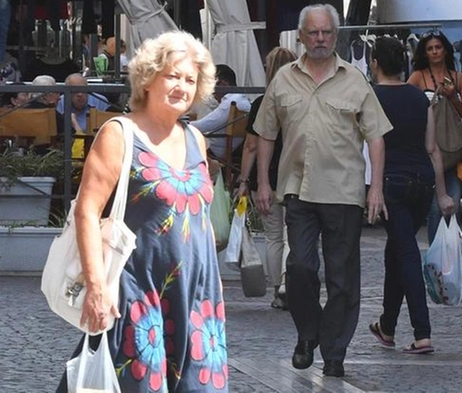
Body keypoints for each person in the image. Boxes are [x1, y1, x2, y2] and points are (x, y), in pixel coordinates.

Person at [66, 30, 228, 392]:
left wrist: (214, 285)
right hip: (138, 291)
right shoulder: (119, 134)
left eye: (190, 80)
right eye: (172, 75)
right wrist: (95, 286)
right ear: (149, 77)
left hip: (197, 296)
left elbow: (199, 216)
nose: (181, 87)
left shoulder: (195, 139)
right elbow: (87, 211)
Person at [253, 4, 390, 379]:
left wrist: (375, 188)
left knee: (343, 278)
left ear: (336, 35)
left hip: (344, 192)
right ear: (301, 36)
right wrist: (263, 182)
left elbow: (375, 136)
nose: (320, 39)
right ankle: (307, 333)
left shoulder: (355, 80)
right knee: (299, 268)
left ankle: (333, 351)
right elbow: (266, 132)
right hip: (297, 189)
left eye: (326, 33)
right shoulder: (283, 79)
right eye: (313, 33)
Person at [366, 37, 454, 355]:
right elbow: (432, 148)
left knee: (405, 254)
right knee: (397, 250)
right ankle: (387, 326)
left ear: (374, 62)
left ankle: (422, 332)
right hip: (423, 182)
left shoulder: (371, 97)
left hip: (392, 182)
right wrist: (442, 194)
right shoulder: (420, 98)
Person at [235, 47, 297, 310]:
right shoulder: (300, 99)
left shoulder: (262, 103)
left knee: (272, 237)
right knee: (293, 234)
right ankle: (287, 281)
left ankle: (277, 289)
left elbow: (250, 146)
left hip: (267, 178)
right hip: (296, 176)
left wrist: (244, 180)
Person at [407, 31, 462, 241]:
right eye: (430, 49)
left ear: (445, 49)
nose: (435, 52)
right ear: (424, 53)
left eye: (438, 47)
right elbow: (405, 103)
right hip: (428, 147)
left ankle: (448, 251)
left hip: (453, 150)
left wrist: (453, 97)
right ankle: (436, 254)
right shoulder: (418, 77)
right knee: (436, 207)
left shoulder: (459, 78)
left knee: (452, 204)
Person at [192, 64, 251, 162]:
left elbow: (205, 124)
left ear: (223, 83)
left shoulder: (232, 101)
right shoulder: (241, 100)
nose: (212, 93)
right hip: (226, 148)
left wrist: (179, 125)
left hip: (214, 150)